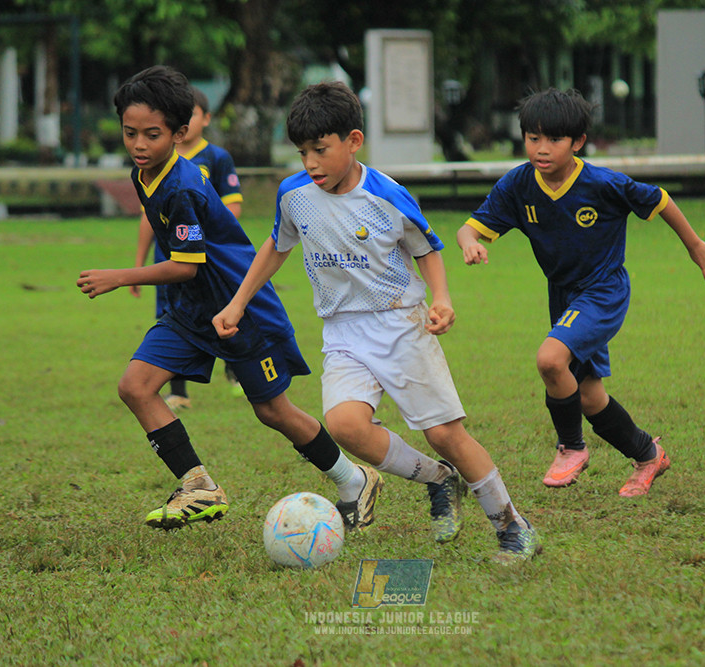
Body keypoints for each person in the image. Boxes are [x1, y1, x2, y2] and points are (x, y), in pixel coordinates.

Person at [212, 81, 541, 564]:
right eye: (303, 152)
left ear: (353, 140)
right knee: (344, 424)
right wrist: (238, 302)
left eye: (321, 150)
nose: (311, 163)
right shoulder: (293, 195)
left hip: (399, 324)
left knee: (446, 435)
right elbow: (276, 247)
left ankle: (513, 526)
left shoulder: (388, 196)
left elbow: (427, 251)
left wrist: (442, 299)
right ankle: (438, 480)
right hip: (341, 330)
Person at [77, 66, 380, 531]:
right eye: (130, 133)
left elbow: (186, 264)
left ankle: (353, 478)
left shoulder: (181, 187)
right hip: (192, 310)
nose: (138, 144)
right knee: (135, 387)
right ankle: (198, 486)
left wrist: (121, 275)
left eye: (151, 135)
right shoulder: (147, 174)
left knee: (272, 411)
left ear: (180, 134)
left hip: (237, 309)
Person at [457, 88, 705, 497]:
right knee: (589, 396)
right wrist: (470, 242)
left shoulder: (601, 183)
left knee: (550, 360)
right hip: (563, 295)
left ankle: (572, 448)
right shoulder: (519, 185)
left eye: (554, 139)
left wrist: (693, 244)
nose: (541, 149)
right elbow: (469, 227)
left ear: (578, 142)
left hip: (603, 290)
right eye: (533, 138)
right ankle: (649, 455)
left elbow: (659, 199)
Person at [130, 86, 245, 411]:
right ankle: (178, 391)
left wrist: (202, 233)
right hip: (168, 259)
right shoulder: (152, 162)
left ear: (204, 119)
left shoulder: (216, 158)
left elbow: (232, 207)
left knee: (221, 311)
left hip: (206, 259)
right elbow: (148, 219)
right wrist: (138, 267)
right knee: (169, 316)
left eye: (193, 114)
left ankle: (237, 371)